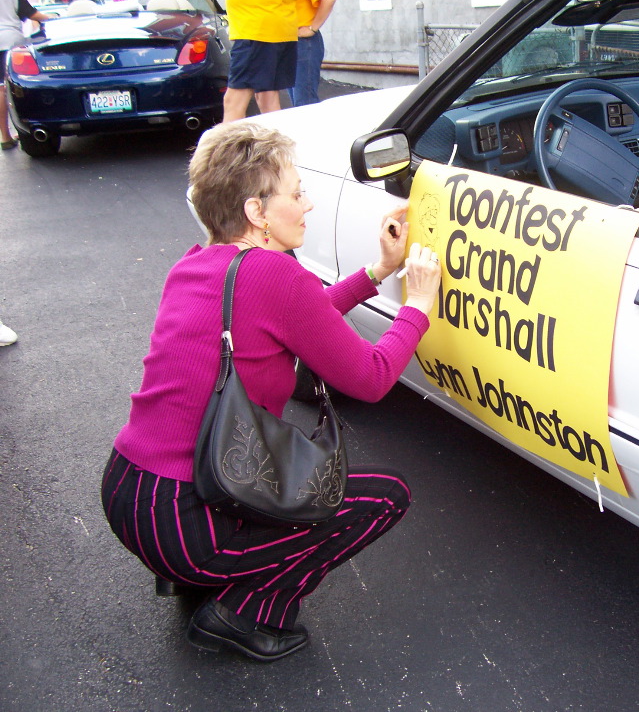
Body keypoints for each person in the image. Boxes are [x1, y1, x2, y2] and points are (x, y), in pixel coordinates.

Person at [100, 121, 442, 662]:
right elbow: (373, 377)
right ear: (258, 212)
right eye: (296, 192)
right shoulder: (276, 276)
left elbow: (304, 317)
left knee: (278, 497)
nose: (307, 204)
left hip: (129, 493)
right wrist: (418, 306)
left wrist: (379, 271)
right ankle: (241, 613)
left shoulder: (198, 263)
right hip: (183, 519)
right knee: (382, 498)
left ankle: (189, 573)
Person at [207, 0, 297, 122]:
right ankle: (275, 146)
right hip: (279, 26)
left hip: (256, 29)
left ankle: (229, 147)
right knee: (268, 99)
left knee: (234, 101)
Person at [1, 0, 48, 149]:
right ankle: (17, 132)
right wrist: (53, 18)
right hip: (9, 39)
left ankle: (4, 135)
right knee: (9, 87)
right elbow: (28, 12)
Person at [288, 0, 335, 108]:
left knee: (305, 103)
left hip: (304, 42)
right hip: (285, 41)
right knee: (297, 103)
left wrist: (312, 28)